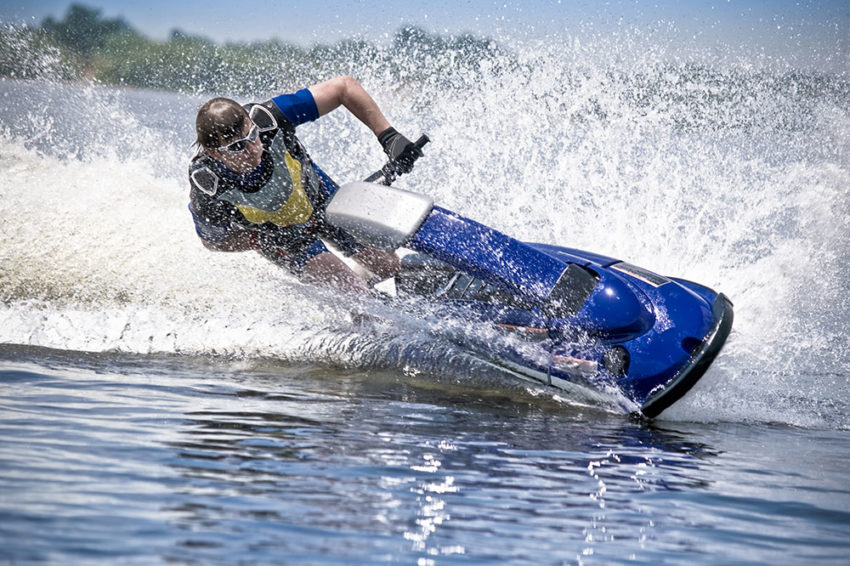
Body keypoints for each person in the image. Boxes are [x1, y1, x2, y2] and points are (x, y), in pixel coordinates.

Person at [188, 75, 422, 293]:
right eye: (237, 147)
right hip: (284, 240)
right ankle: (361, 302)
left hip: (321, 200)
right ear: (214, 153)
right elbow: (212, 241)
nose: (252, 149)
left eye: (252, 136)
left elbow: (344, 87)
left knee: (388, 266)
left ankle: (362, 285)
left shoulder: (270, 117)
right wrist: (259, 240)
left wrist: (389, 137)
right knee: (353, 292)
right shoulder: (208, 183)